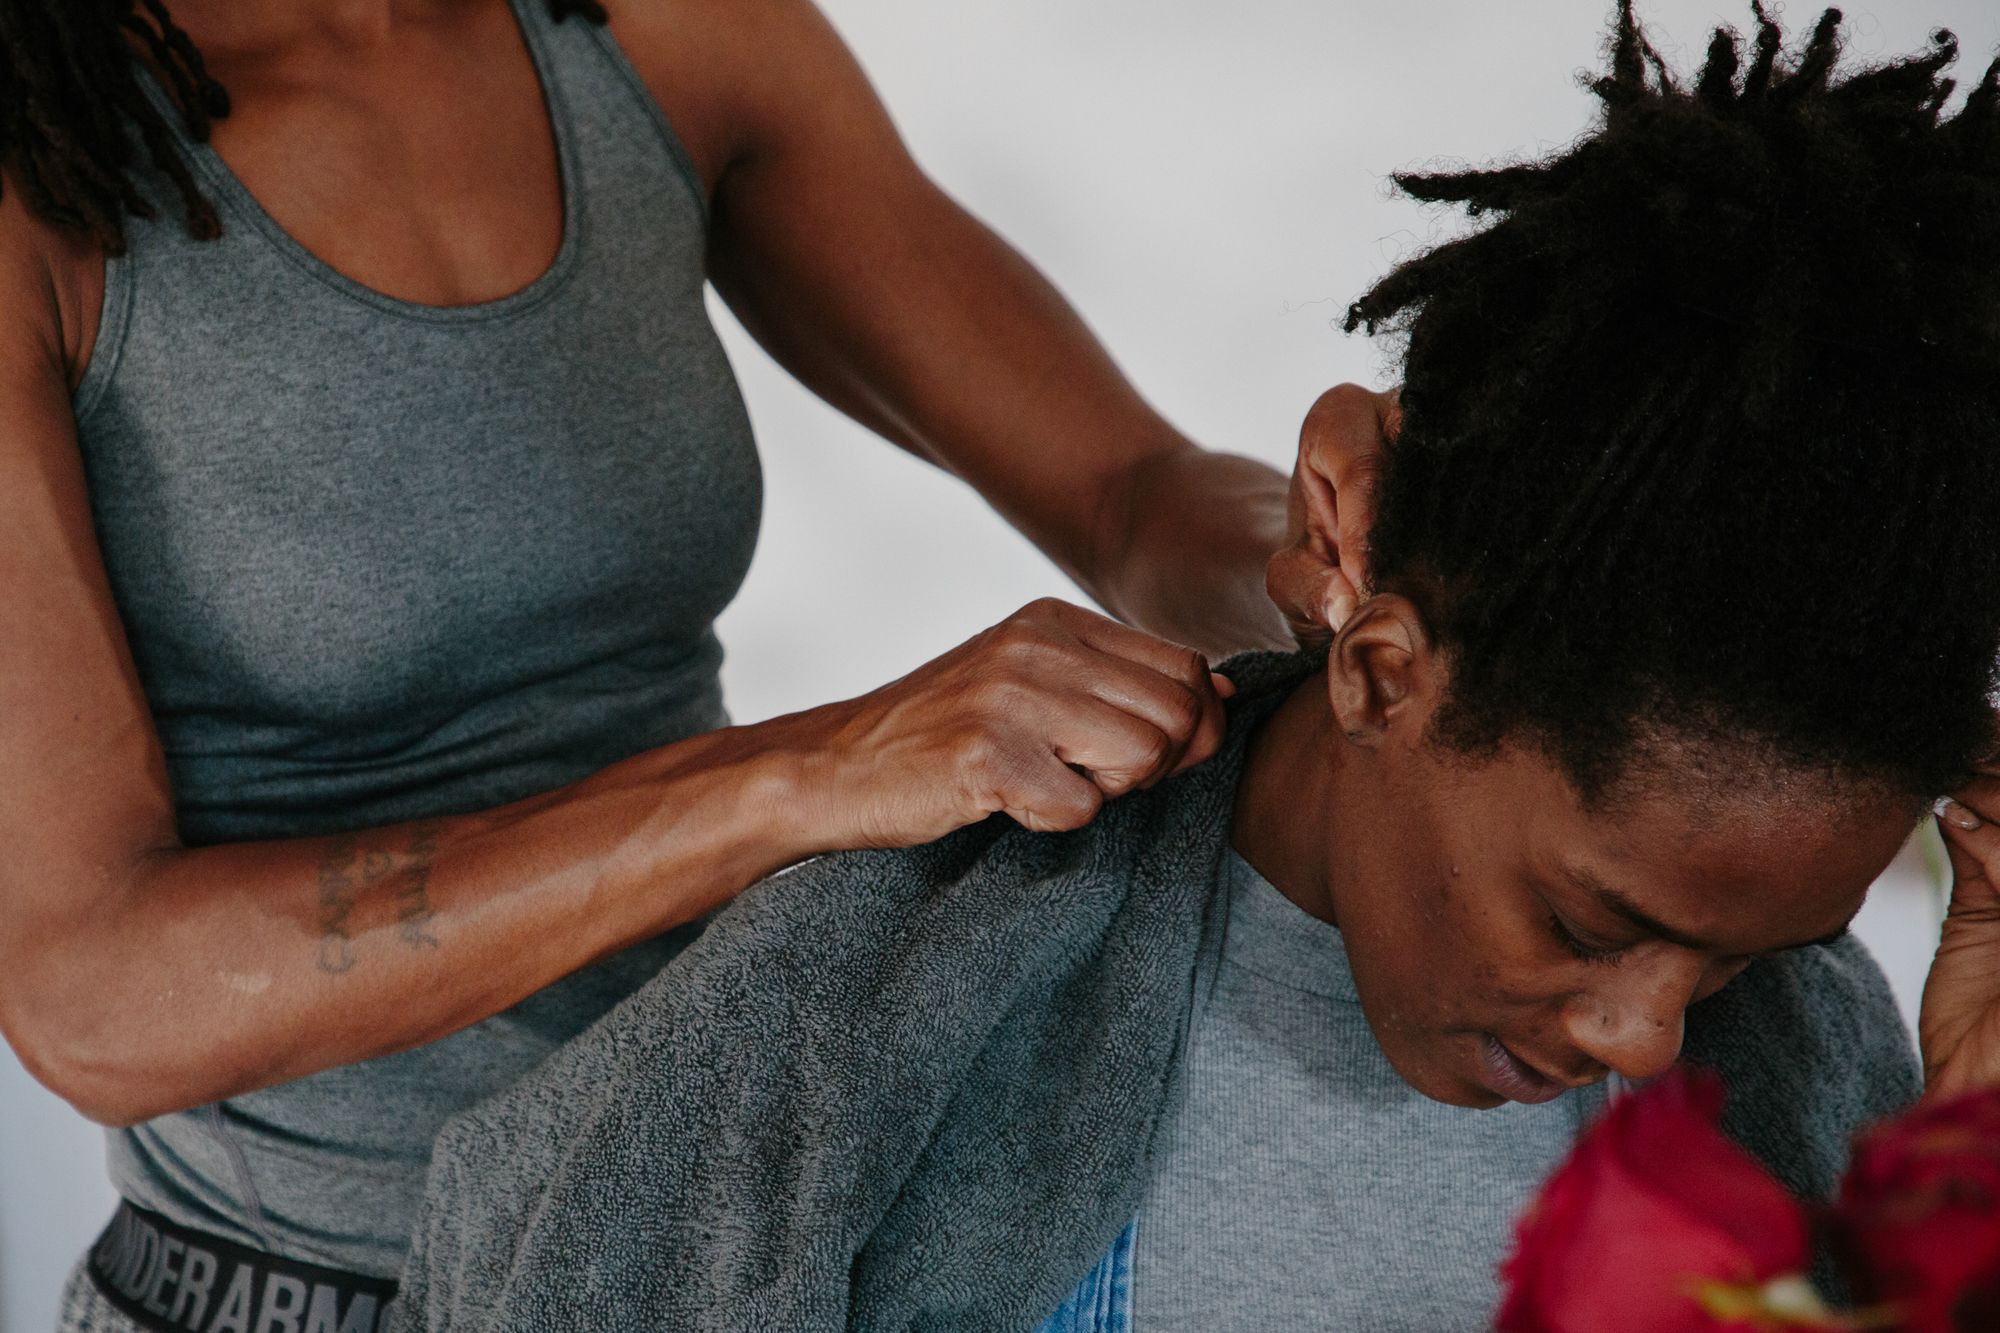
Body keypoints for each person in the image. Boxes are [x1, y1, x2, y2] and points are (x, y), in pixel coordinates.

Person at [376, 6, 2000, 1331]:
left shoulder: (1815, 1086)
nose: (1650, 1034)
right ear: (1375, 671)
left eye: (1737, 960)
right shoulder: (885, 1008)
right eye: (1590, 923)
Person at [0, 0, 1381, 1323]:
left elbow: (1128, 491)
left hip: (709, 1249)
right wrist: (800, 776)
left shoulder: (650, 35)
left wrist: (1327, 548)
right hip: (308, 1290)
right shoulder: (43, 164)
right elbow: (93, 994)